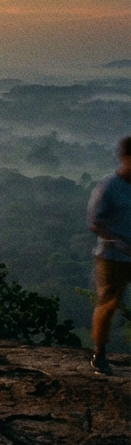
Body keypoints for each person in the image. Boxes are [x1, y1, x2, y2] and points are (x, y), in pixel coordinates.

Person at [87, 136, 131, 375]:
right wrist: (116, 240)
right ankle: (100, 353)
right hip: (112, 256)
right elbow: (94, 222)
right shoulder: (109, 186)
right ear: (124, 159)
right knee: (109, 303)